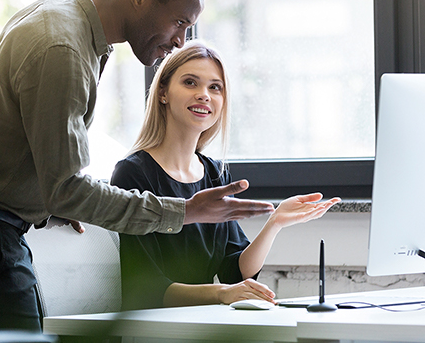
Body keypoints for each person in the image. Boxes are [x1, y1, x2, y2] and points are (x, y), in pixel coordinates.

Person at [0, 0, 274, 333]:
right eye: (179, 22)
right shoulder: (63, 48)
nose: (181, 40)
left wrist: (51, 196)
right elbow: (67, 188)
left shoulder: (62, 17)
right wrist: (185, 211)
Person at [110, 41, 340, 311]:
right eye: (190, 83)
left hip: (207, 325)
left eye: (214, 87)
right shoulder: (133, 173)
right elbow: (145, 288)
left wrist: (275, 222)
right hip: (158, 331)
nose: (204, 95)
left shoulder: (213, 174)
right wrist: (221, 293)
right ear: (163, 93)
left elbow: (237, 271)